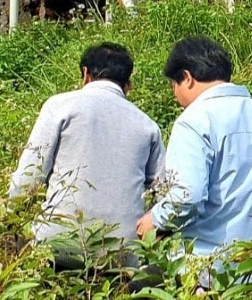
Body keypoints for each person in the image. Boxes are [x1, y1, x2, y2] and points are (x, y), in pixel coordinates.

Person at [136, 37, 252, 264]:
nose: (174, 94)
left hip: (208, 270)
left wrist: (155, 220)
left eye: (174, 84)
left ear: (187, 78)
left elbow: (188, 196)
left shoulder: (193, 122)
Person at [9, 42, 164, 266]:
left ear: (85, 74)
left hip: (60, 243)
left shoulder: (60, 106)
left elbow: (30, 176)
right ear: (128, 85)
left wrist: (8, 211)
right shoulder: (148, 125)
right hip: (122, 251)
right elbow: (164, 191)